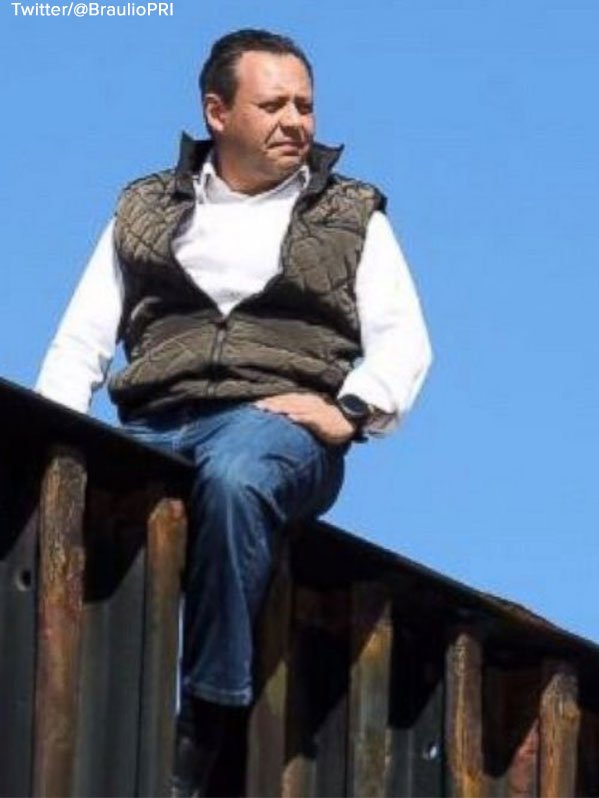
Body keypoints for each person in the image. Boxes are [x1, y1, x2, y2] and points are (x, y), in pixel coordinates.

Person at [36, 28, 433, 796]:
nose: (295, 122)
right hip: (152, 424)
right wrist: (54, 446)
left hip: (272, 425)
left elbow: (404, 344)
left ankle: (211, 715)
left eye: (304, 106)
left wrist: (350, 410)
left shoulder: (352, 214)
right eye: (273, 104)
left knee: (235, 480)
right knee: (63, 505)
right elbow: (79, 343)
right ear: (217, 113)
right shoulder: (144, 207)